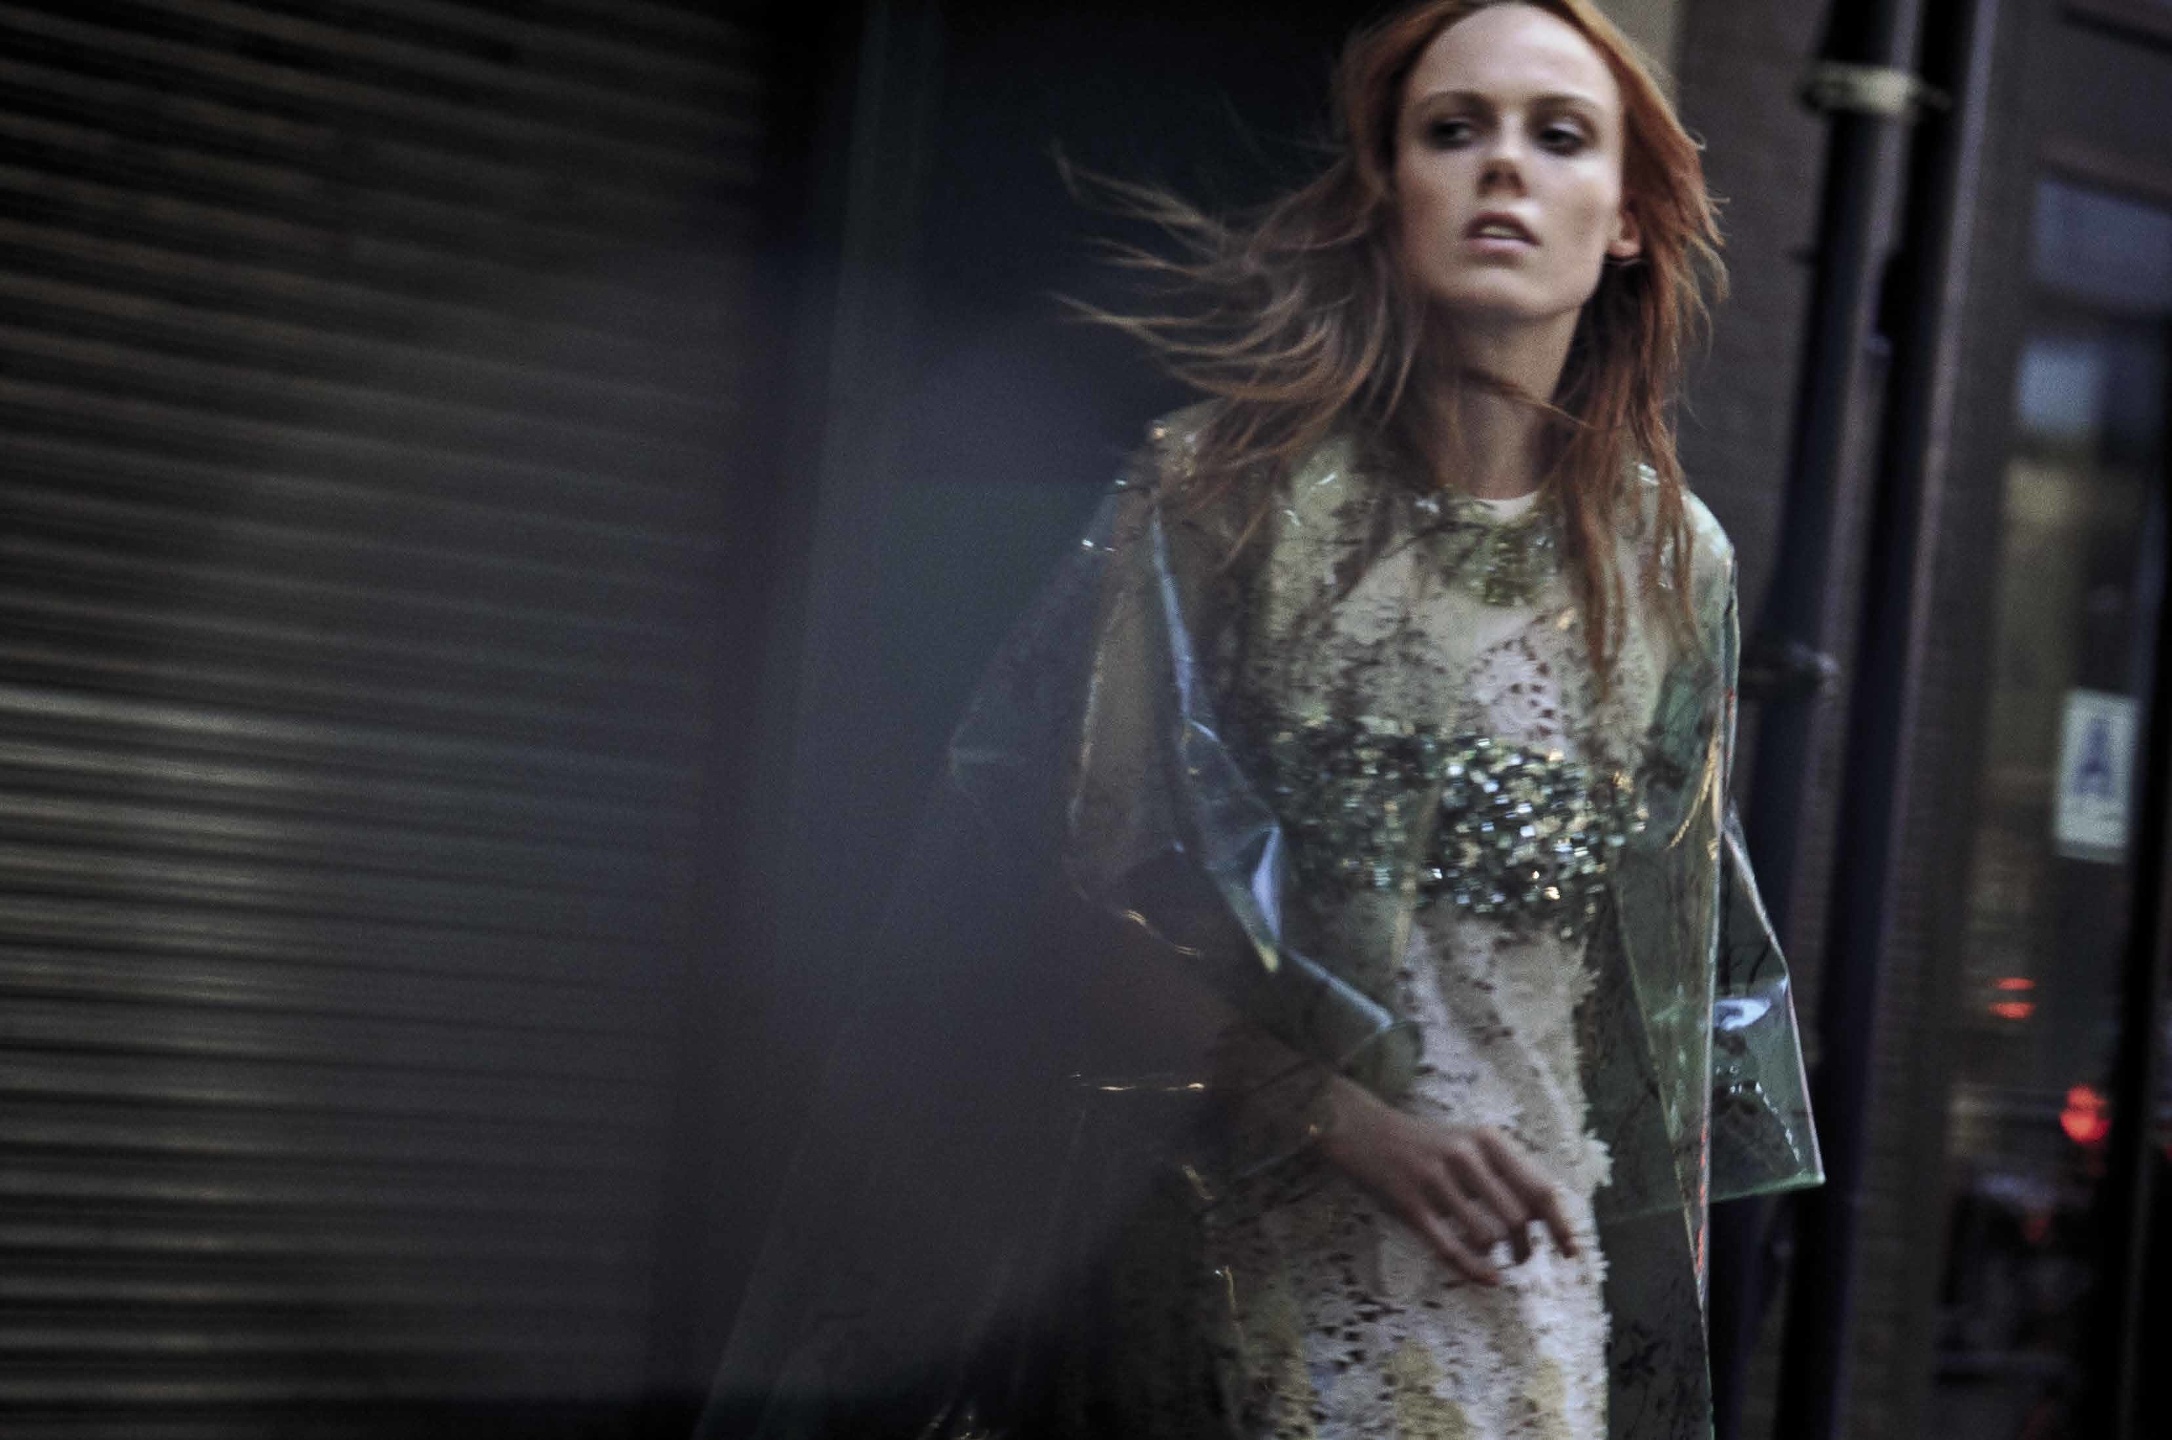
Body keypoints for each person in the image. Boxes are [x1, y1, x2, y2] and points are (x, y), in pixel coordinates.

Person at [704, 3, 1821, 1438]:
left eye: (1559, 136)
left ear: (1625, 220)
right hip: (1245, 1271)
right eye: (1452, 130)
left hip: (1539, 1289)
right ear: (1385, 194)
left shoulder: (1671, 560)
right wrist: (1348, 1124)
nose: (1503, 168)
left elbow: (1660, 1003)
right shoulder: (1222, 499)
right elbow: (1064, 906)